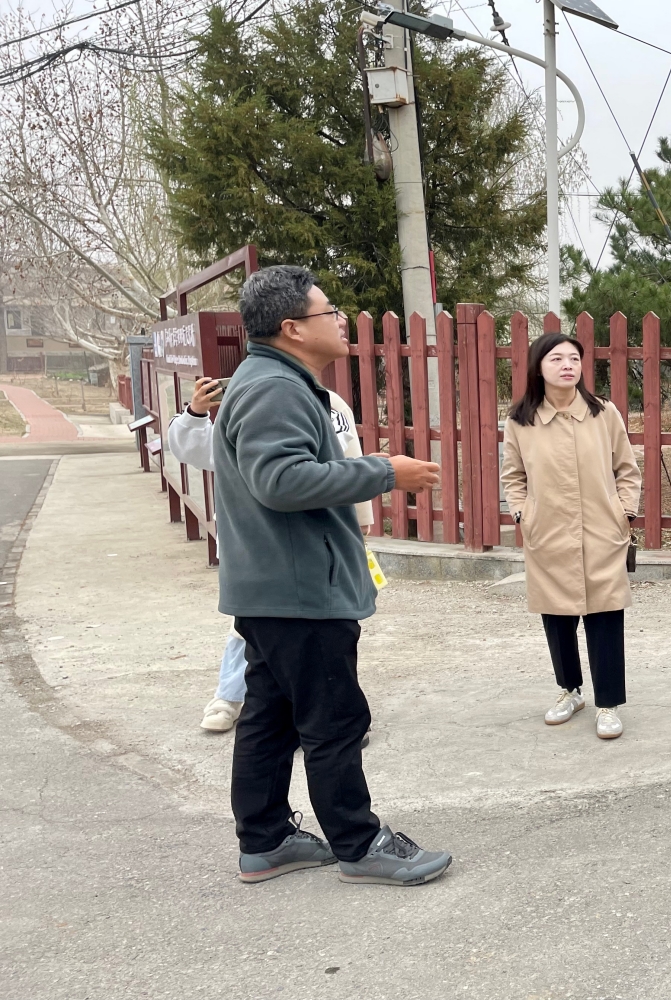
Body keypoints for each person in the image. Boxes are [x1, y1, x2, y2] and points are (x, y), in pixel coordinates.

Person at [214, 265, 451, 885]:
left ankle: (265, 840)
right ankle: (360, 844)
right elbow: (281, 480)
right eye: (329, 312)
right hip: (299, 592)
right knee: (335, 720)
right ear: (292, 328)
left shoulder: (270, 380)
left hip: (275, 588)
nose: (340, 320)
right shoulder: (275, 388)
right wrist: (384, 471)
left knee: (271, 717)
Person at [169, 374, 374, 734]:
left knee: (322, 629)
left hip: (320, 537)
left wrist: (360, 518)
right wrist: (196, 413)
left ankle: (325, 711)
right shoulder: (252, 399)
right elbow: (204, 452)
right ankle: (232, 696)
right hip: (258, 541)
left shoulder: (330, 403)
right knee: (253, 627)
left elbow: (348, 457)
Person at [502, 332, 642, 740]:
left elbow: (626, 468)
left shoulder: (603, 413)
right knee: (557, 617)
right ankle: (570, 691)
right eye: (557, 358)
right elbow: (513, 476)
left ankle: (608, 704)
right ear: (538, 367)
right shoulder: (521, 421)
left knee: (605, 616)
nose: (567, 365)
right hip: (547, 531)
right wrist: (523, 513)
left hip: (602, 529)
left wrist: (624, 512)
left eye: (574, 359)